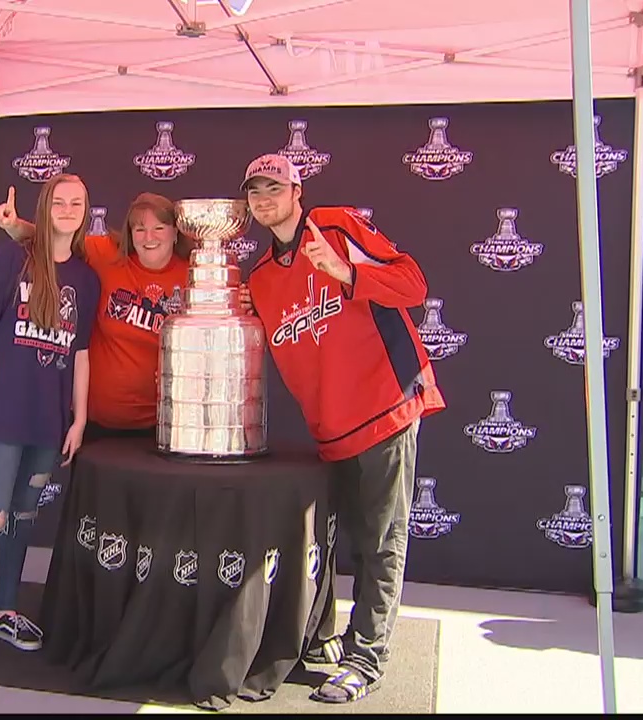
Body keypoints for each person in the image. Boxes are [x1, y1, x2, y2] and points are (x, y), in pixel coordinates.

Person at [238, 154, 445, 704]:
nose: (265, 198)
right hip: (330, 428)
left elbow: (413, 285)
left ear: (297, 190)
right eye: (255, 190)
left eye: (275, 187)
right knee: (330, 542)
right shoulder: (260, 278)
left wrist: (348, 272)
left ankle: (366, 658)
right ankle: (323, 637)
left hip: (385, 406)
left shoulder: (335, 227)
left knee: (381, 542)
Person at [0, 173, 100, 658]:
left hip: (48, 421)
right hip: (3, 415)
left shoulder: (86, 278)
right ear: (45, 206)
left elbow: (81, 353)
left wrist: (79, 418)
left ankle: (6, 612)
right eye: (60, 201)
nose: (68, 210)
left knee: (23, 517)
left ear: (85, 212)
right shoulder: (13, 259)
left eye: (77, 203)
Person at [0, 188, 191, 440]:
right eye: (139, 229)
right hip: (96, 425)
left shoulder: (193, 277)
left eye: (159, 228)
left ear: (175, 233)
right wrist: (14, 225)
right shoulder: (106, 254)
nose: (148, 237)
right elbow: (54, 239)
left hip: (161, 427)